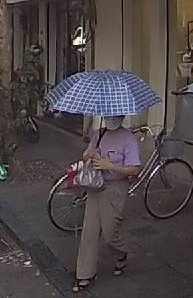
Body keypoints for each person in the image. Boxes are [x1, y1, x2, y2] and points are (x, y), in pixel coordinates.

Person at [73, 116, 141, 292]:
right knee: (89, 230)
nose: (111, 118)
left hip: (115, 188)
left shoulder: (128, 138)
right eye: (108, 115)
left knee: (110, 232)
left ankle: (121, 252)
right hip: (96, 185)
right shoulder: (99, 134)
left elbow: (134, 169)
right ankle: (85, 273)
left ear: (122, 116)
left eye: (115, 116)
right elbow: (86, 154)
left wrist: (109, 165)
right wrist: (90, 155)